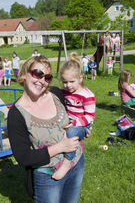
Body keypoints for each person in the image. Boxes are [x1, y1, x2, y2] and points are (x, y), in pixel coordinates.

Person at [7, 55, 91, 202]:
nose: (42, 81)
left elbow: (69, 120)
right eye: (37, 74)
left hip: (76, 162)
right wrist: (60, 147)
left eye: (47, 77)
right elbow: (23, 157)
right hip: (48, 176)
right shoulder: (16, 114)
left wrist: (80, 129)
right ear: (25, 73)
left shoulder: (57, 94)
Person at [52, 52, 95, 180]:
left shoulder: (87, 95)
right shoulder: (65, 91)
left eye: (72, 81)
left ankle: (67, 162)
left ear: (80, 78)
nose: (68, 85)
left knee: (71, 131)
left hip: (81, 123)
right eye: (65, 82)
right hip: (70, 120)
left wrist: (75, 123)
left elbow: (90, 116)